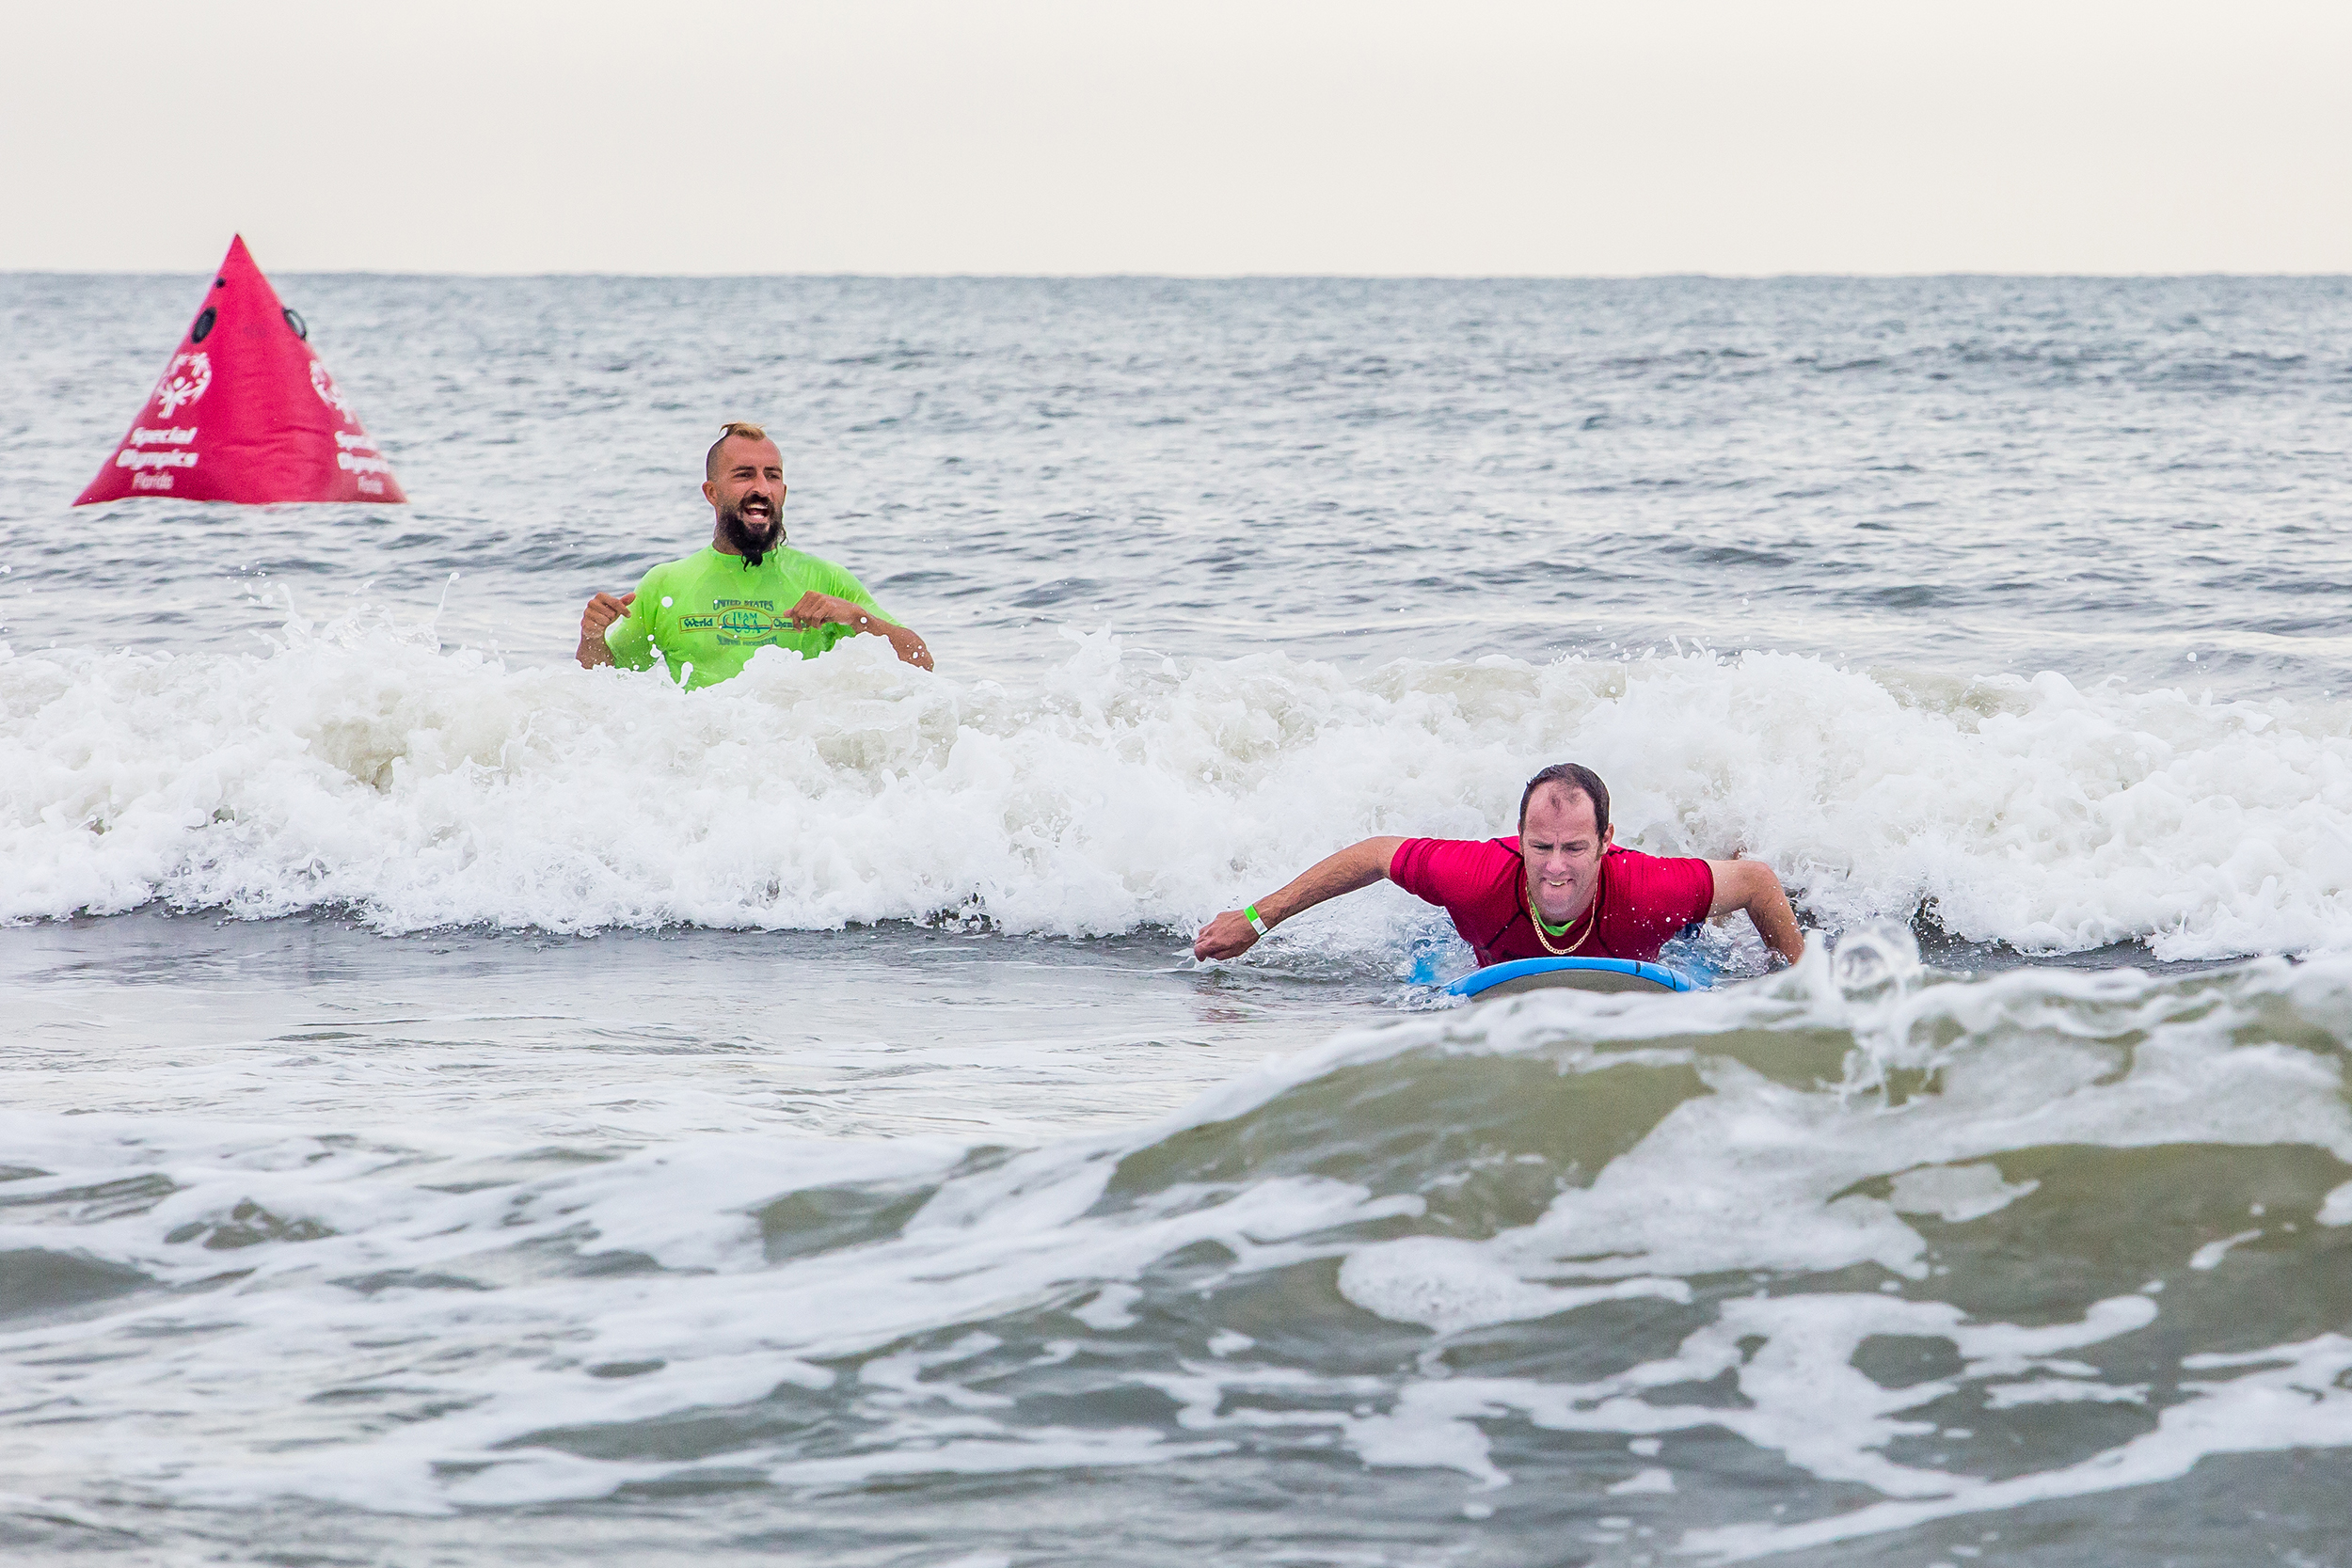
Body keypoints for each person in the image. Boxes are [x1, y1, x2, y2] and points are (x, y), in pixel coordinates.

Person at [1193, 762, 1804, 969]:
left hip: (1647, 941)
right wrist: (1257, 916)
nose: (1556, 869)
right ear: (1518, 839)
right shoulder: (1478, 875)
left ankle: (1730, 838)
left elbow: (1759, 884)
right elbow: (1378, 854)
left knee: (1717, 909)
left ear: (1606, 841)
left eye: (1575, 848)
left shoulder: (1645, 885)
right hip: (1496, 952)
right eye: (1541, 847)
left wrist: (1798, 981)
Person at [576, 421, 932, 688]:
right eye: (744, 475)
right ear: (712, 492)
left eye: (772, 476)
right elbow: (602, 690)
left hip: (792, 768)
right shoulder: (666, 583)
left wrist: (856, 618)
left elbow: (920, 664)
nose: (761, 488)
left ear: (784, 491)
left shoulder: (827, 580)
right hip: (703, 773)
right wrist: (592, 638)